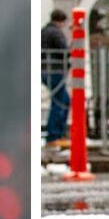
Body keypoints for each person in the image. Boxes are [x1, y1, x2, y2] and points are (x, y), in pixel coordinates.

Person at [40, 9, 69, 145]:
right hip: (55, 70)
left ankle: (56, 133)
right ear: (61, 21)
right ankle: (54, 135)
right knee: (60, 101)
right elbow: (65, 50)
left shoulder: (44, 31)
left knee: (63, 100)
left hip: (46, 70)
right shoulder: (56, 33)